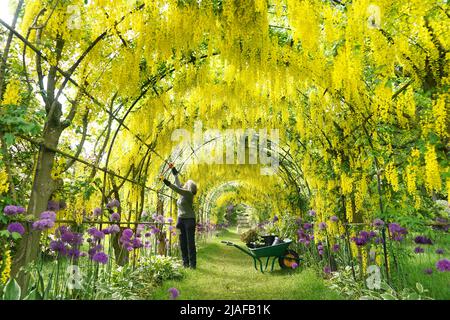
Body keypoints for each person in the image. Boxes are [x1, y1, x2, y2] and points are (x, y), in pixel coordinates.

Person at [163, 167, 198, 269]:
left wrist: (167, 183)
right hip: (180, 221)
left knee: (190, 242)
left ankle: (192, 265)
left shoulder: (188, 194)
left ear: (189, 186)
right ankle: (185, 263)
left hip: (189, 221)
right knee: (181, 242)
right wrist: (175, 173)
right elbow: (178, 185)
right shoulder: (183, 193)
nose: (184, 184)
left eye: (186, 183)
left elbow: (177, 188)